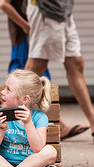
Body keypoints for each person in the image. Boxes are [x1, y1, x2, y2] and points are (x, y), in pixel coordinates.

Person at [24, 0, 94, 141]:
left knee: (76, 63)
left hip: (65, 10)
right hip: (45, 10)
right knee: (37, 67)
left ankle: (93, 122)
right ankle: (13, 120)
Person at [0, 0, 50, 79]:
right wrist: (25, 26)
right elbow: (3, 4)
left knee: (17, 69)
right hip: (25, 35)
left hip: (27, 34)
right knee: (35, 70)